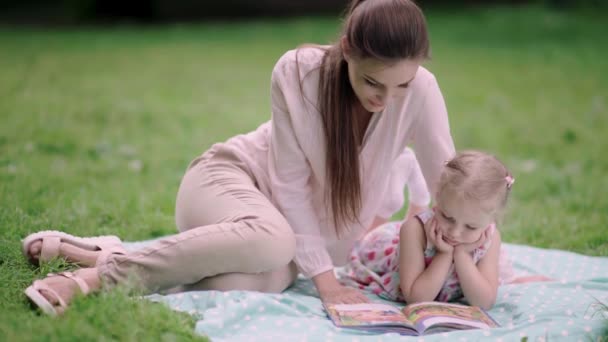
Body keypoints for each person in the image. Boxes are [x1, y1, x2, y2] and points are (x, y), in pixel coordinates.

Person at [22, 0, 455, 316]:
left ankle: (105, 254)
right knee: (273, 240)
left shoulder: (422, 91)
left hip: (280, 238)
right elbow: (286, 183)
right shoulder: (298, 72)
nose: (386, 98)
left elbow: (449, 184)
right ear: (346, 50)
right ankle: (94, 279)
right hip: (228, 181)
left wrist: (479, 249)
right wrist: (325, 282)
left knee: (245, 282)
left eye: (401, 85)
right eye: (373, 82)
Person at [342, 151, 549, 310]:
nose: (455, 233)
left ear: (490, 220)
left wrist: (461, 256)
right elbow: (416, 298)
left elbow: (484, 302)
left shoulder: (490, 238)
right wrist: (444, 254)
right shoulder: (414, 230)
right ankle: (406, 171)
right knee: (369, 240)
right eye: (447, 217)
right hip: (389, 250)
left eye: (471, 226)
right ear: (438, 198)